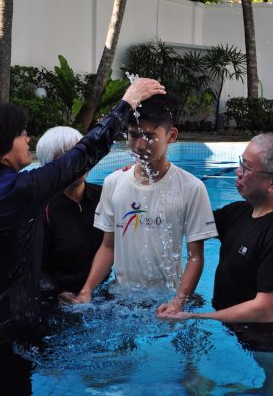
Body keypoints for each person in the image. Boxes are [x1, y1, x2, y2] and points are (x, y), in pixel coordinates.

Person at [0, 77, 165, 342]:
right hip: (5, 326)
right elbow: (86, 152)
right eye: (19, 133)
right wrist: (128, 101)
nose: (27, 138)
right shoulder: (18, 192)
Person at [158, 132, 273, 393]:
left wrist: (199, 316)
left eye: (247, 168)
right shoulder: (241, 211)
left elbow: (265, 311)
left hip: (268, 330)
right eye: (241, 162)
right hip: (235, 319)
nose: (238, 172)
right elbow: (188, 219)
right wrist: (144, 177)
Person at [70, 94, 218, 314]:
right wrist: (87, 290)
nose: (139, 145)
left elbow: (195, 256)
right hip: (121, 297)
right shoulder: (113, 182)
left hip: (167, 298)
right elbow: (108, 247)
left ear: (171, 135)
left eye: (149, 136)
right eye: (134, 135)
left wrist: (178, 301)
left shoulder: (191, 187)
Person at [36, 126, 106, 297]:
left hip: (102, 291)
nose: (79, 162)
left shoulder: (104, 195)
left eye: (81, 154)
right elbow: (34, 270)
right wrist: (57, 294)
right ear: (50, 166)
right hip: (64, 299)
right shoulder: (41, 211)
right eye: (69, 157)